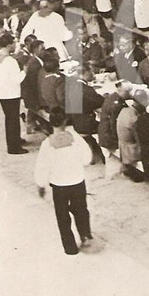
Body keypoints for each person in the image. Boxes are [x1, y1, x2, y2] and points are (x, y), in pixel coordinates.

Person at [33, 108, 95, 255]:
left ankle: (70, 247)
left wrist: (40, 184)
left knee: (62, 216)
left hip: (59, 185)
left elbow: (42, 167)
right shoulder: (75, 138)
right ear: (66, 121)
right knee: (81, 210)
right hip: (77, 181)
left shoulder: (47, 144)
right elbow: (87, 158)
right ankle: (85, 234)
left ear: (50, 121)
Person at [0, 33, 27, 155]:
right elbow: (17, 79)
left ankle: (15, 140)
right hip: (11, 93)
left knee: (10, 118)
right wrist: (25, 71)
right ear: (9, 45)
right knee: (13, 120)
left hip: (2, 92)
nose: (15, 45)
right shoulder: (10, 61)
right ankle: (13, 147)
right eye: (13, 43)